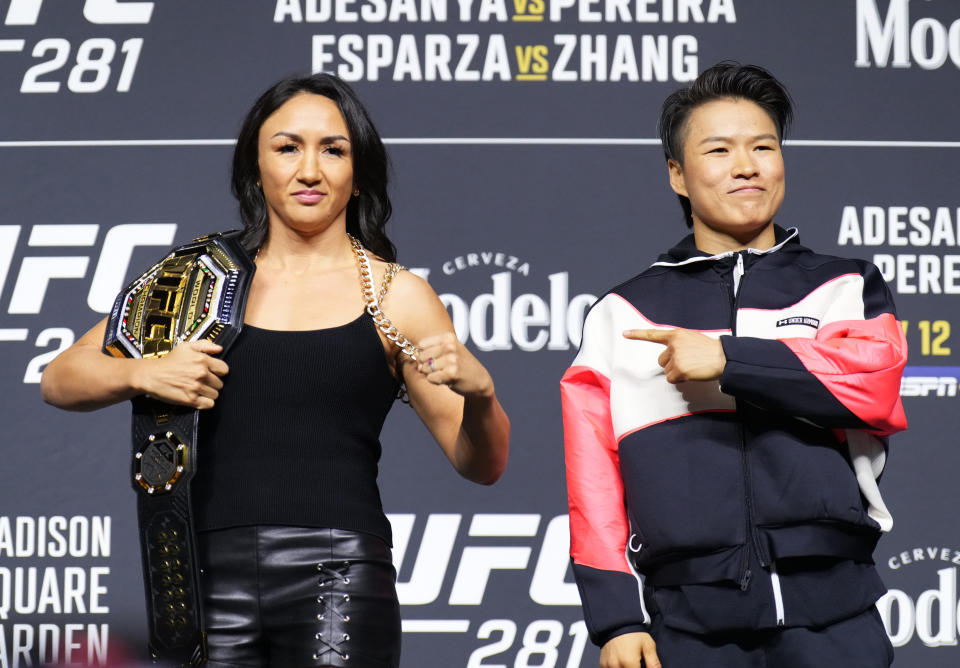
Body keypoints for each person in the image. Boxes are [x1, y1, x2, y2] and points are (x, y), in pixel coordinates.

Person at [41, 73, 510, 668]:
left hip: (341, 581)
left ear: (358, 171)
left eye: (333, 150)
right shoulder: (198, 280)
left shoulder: (398, 295)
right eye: (288, 147)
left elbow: (483, 464)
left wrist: (483, 396)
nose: (309, 170)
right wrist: (145, 371)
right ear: (254, 166)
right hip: (202, 580)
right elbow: (59, 378)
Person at [561, 62, 906, 668]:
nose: (745, 166)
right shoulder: (623, 311)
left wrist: (728, 358)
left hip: (837, 613)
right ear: (677, 174)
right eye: (718, 149)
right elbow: (593, 480)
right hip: (688, 625)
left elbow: (870, 387)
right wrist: (616, 618)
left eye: (763, 147)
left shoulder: (845, 284)